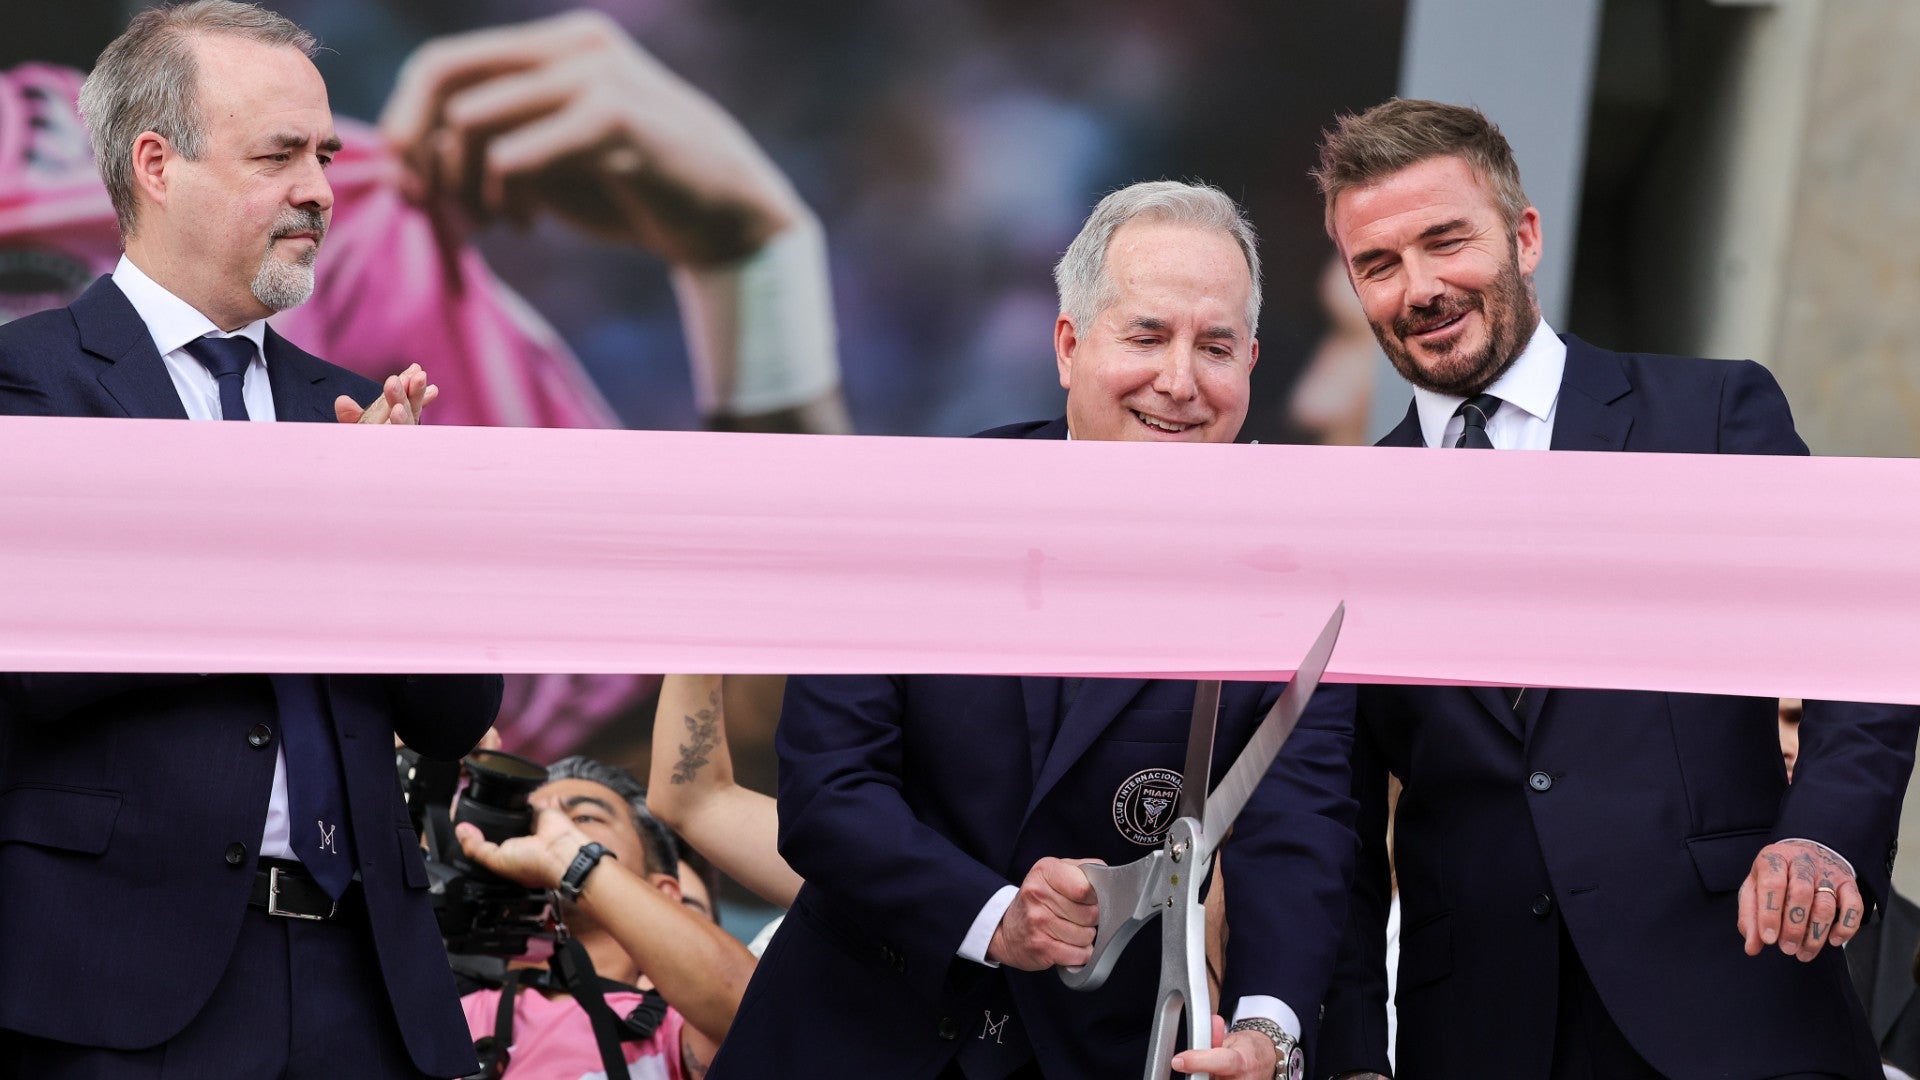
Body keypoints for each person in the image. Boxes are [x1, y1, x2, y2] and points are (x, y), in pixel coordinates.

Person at [1310, 97, 1920, 1080]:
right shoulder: (1346, 514)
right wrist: (1350, 1053)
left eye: (1445, 242)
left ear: (1524, 235)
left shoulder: (1711, 415)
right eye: (1378, 265)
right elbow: (1329, 822)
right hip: (1474, 1037)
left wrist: (1824, 833)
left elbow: (1866, 638)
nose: (1417, 287)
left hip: (1737, 1004)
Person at [709, 180, 1360, 1080]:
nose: (1179, 380)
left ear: (1251, 362)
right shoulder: (913, 514)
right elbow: (828, 790)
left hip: (1100, 1051)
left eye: (1215, 347)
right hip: (847, 1035)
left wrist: (1269, 1033)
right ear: (1068, 345)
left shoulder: (1297, 585)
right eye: (1145, 335)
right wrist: (995, 916)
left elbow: (1302, 834)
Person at [0, 4, 502, 1077]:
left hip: (370, 988)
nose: (321, 191)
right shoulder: (31, 381)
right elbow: (42, 664)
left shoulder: (354, 409)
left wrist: (406, 539)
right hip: (121, 987)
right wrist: (323, 536)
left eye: (324, 154)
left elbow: (458, 713)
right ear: (156, 164)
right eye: (279, 155)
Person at [456, 756, 759, 1079]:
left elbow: (759, 1014)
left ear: (663, 892)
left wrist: (568, 858)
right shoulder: (443, 1015)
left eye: (585, 816)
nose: (545, 829)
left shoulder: (674, 1032)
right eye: (531, 819)